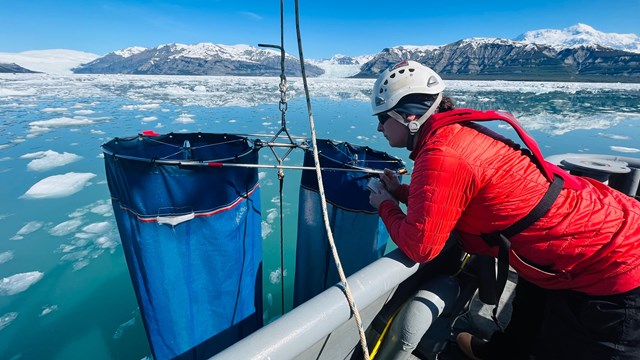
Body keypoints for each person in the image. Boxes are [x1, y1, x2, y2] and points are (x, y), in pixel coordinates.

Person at [367, 60, 640, 360]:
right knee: (530, 313)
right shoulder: (457, 134)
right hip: (579, 242)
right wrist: (401, 192)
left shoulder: (441, 153)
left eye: (382, 117)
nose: (379, 127)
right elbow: (453, 196)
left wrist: (386, 206)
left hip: (614, 262)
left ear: (409, 117)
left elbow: (420, 247)